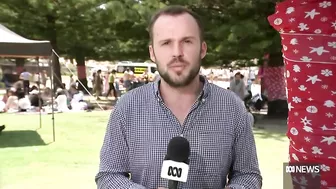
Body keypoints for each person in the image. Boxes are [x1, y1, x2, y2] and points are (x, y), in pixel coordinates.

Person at [96, 5, 262, 189]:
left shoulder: (232, 107)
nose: (177, 52)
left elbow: (248, 176)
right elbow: (109, 175)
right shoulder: (128, 107)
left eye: (187, 41)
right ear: (152, 53)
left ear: (202, 49)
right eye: (166, 43)